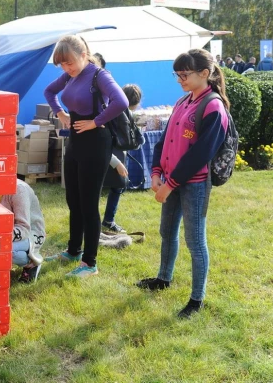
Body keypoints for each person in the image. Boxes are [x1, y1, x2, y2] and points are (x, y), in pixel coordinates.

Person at [137, 48, 230, 319]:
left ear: (204, 73)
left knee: (195, 240)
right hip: (170, 181)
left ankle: (196, 300)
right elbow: (164, 141)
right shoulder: (182, 101)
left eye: (184, 74)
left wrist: (170, 184)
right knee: (167, 231)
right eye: (177, 75)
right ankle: (163, 278)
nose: (180, 79)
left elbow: (200, 154)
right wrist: (156, 172)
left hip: (194, 185)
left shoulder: (213, 107)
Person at [43, 35, 128, 278]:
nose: (66, 69)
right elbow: (49, 91)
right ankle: (73, 250)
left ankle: (90, 263)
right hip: (76, 142)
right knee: (73, 199)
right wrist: (60, 112)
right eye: (62, 65)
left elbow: (120, 100)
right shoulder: (71, 75)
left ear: (83, 54)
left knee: (89, 204)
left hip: (96, 143)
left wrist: (96, 122)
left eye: (69, 63)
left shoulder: (98, 75)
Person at [102, 84, 143, 234]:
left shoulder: (122, 113)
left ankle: (107, 220)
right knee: (111, 187)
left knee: (117, 187)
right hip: (108, 157)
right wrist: (116, 162)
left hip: (114, 156)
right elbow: (102, 143)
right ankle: (105, 221)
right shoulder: (113, 114)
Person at [0, 179, 46, 283]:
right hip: (3, 232)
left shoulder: (19, 190)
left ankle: (31, 264)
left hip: (30, 234)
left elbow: (24, 228)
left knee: (0, 248)